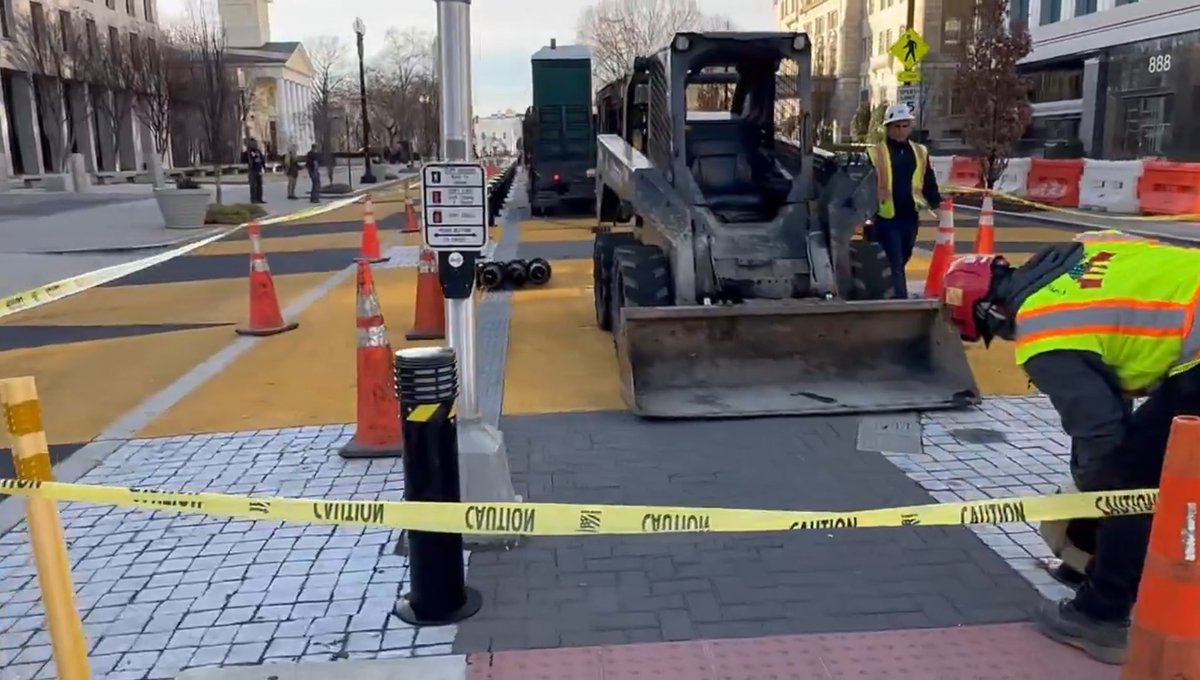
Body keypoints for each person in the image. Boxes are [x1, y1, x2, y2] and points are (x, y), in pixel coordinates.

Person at [938, 230, 1200, 666]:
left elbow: (1101, 436)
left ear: (990, 313)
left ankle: (1101, 615)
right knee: (1146, 459)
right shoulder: (1086, 247)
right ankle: (1106, 568)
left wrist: (1095, 506)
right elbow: (1122, 351)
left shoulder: (1043, 330)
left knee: (1129, 483)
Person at [865, 104, 942, 299]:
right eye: (896, 126)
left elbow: (928, 179)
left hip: (910, 215)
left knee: (904, 256)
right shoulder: (877, 153)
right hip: (886, 216)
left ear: (910, 127)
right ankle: (900, 301)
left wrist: (936, 204)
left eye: (904, 126)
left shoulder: (920, 152)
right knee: (895, 261)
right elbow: (866, 184)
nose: (900, 130)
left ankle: (885, 291)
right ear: (888, 128)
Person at [243, 138, 266, 204]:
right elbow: (245, 159)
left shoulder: (258, 151)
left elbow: (262, 159)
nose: (255, 145)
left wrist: (263, 167)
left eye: (255, 143)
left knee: (259, 185)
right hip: (252, 171)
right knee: (253, 186)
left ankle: (259, 198)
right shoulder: (248, 152)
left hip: (259, 170)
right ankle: (253, 199)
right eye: (253, 143)